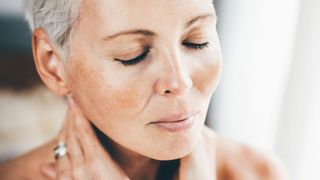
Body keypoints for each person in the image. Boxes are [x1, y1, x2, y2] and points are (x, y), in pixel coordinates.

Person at [0, 0, 289, 179]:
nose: (180, 82)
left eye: (197, 40)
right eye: (132, 54)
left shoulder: (258, 173)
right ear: (53, 65)